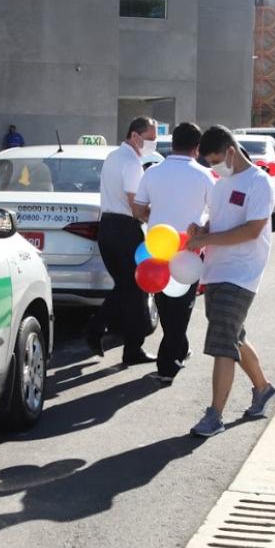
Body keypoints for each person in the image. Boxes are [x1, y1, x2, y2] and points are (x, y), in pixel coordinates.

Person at [185, 125, 275, 437]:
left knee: (222, 343)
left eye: (215, 160)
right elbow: (219, 220)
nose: (213, 167)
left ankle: (215, 415)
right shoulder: (222, 182)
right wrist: (202, 231)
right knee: (233, 335)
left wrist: (208, 237)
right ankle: (263, 389)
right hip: (216, 270)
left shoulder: (259, 182)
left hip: (242, 273)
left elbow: (252, 230)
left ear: (231, 151)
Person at [133, 121, 214, 384]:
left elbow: (138, 208)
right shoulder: (204, 175)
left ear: (173, 143)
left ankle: (175, 352)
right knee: (181, 308)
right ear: (197, 147)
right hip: (189, 250)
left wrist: (154, 219)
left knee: (166, 306)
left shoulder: (153, 172)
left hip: (156, 249)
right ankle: (170, 364)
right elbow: (217, 212)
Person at [86, 116, 158, 366]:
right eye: (150, 138)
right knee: (137, 288)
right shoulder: (131, 163)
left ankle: (109, 333)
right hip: (125, 230)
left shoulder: (114, 157)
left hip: (107, 227)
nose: (153, 143)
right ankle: (117, 339)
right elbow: (135, 206)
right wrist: (158, 218)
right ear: (135, 135)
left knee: (125, 287)